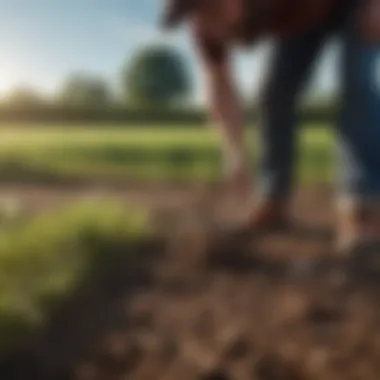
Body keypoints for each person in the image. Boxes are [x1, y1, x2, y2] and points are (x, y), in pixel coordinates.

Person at [161, 0, 380, 254]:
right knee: (274, 95)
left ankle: (364, 207)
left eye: (212, 8)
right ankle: (273, 198)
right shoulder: (207, 27)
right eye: (197, 12)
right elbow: (219, 83)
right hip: (301, 18)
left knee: (355, 84)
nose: (211, 23)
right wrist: (235, 153)